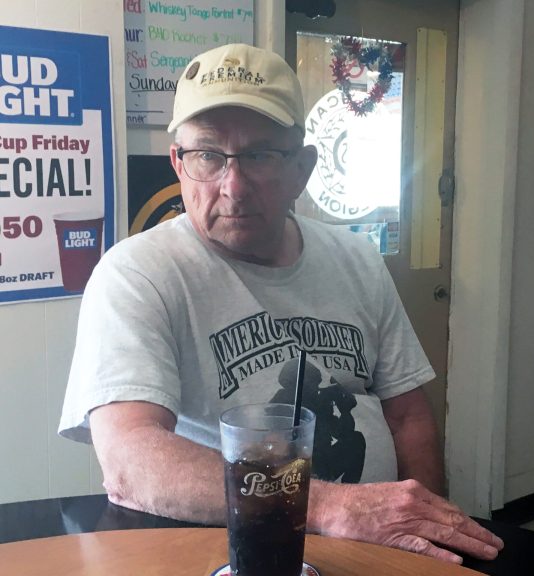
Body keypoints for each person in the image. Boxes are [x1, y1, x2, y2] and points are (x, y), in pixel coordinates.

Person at [58, 43, 503, 564]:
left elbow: (408, 416)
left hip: (376, 548)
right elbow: (129, 461)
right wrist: (332, 507)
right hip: (226, 557)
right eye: (208, 155)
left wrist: (423, 539)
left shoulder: (356, 259)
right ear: (179, 163)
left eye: (260, 156)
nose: (233, 187)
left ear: (303, 168)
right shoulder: (138, 273)